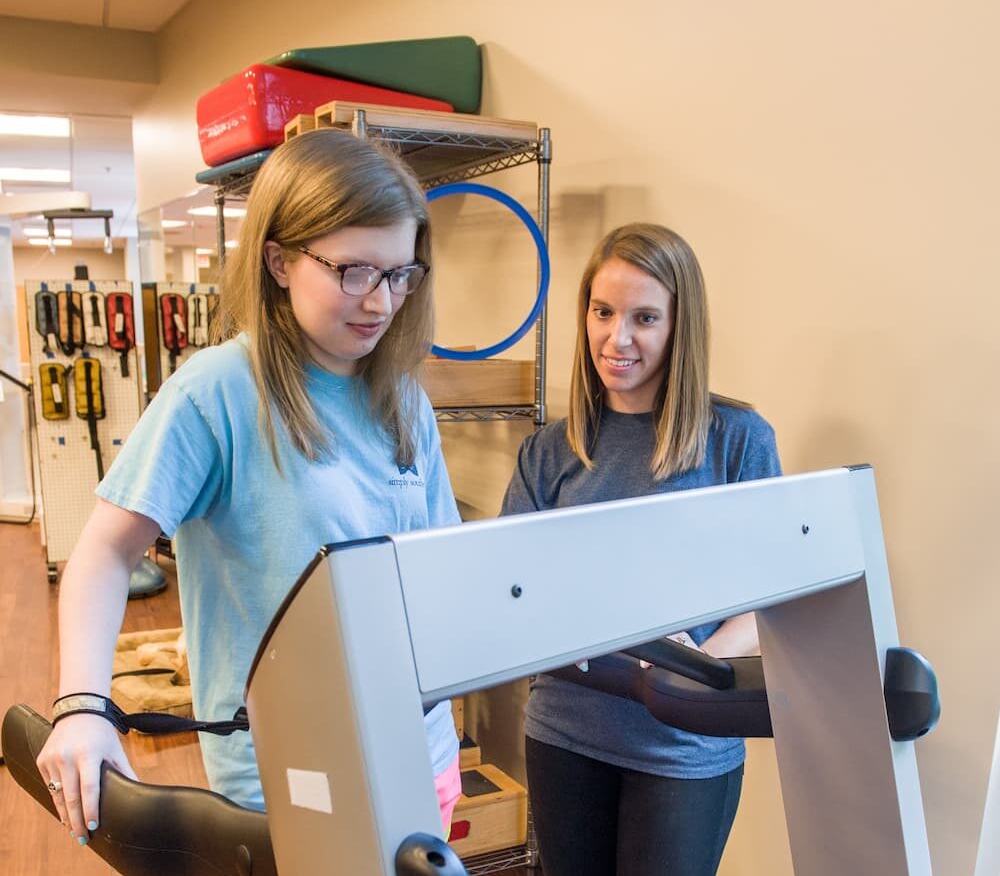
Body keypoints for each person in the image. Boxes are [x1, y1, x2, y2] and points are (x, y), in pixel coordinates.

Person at [36, 128, 462, 846]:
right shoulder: (218, 394)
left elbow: (438, 561)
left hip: (421, 753)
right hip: (291, 780)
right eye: (354, 270)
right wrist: (83, 704)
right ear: (280, 260)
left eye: (399, 274)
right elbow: (105, 554)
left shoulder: (403, 396)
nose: (381, 301)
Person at [501, 223, 782, 876]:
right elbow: (509, 589)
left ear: (680, 327)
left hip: (683, 745)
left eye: (644, 317)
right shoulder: (550, 451)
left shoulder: (737, 441)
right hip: (565, 733)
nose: (616, 338)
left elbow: (771, 602)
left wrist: (698, 666)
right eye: (603, 312)